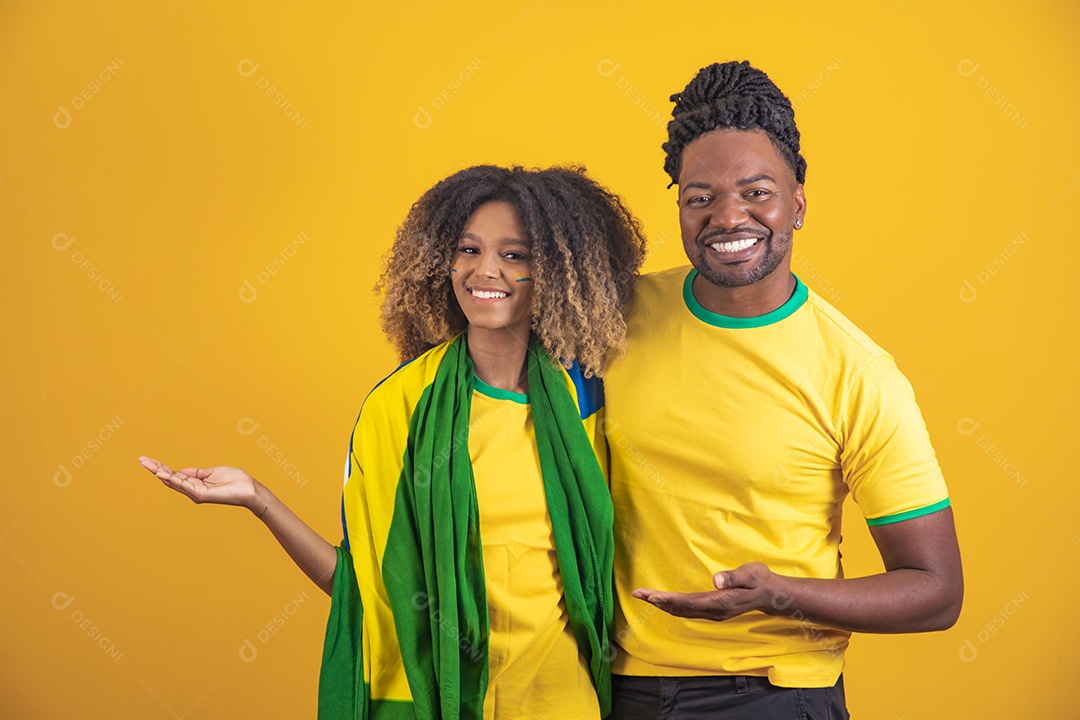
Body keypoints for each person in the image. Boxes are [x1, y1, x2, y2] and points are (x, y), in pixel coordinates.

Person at [140, 164, 648, 719]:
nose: (484, 270)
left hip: (563, 702)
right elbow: (362, 589)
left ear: (559, 269)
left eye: (515, 255)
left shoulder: (592, 401)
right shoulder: (399, 408)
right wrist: (259, 499)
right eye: (468, 249)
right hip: (434, 703)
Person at [601, 61, 964, 719]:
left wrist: (776, 593)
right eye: (699, 196)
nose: (727, 216)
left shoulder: (857, 374)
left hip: (771, 694)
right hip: (610, 688)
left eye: (756, 191)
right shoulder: (614, 316)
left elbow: (936, 591)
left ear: (797, 202)